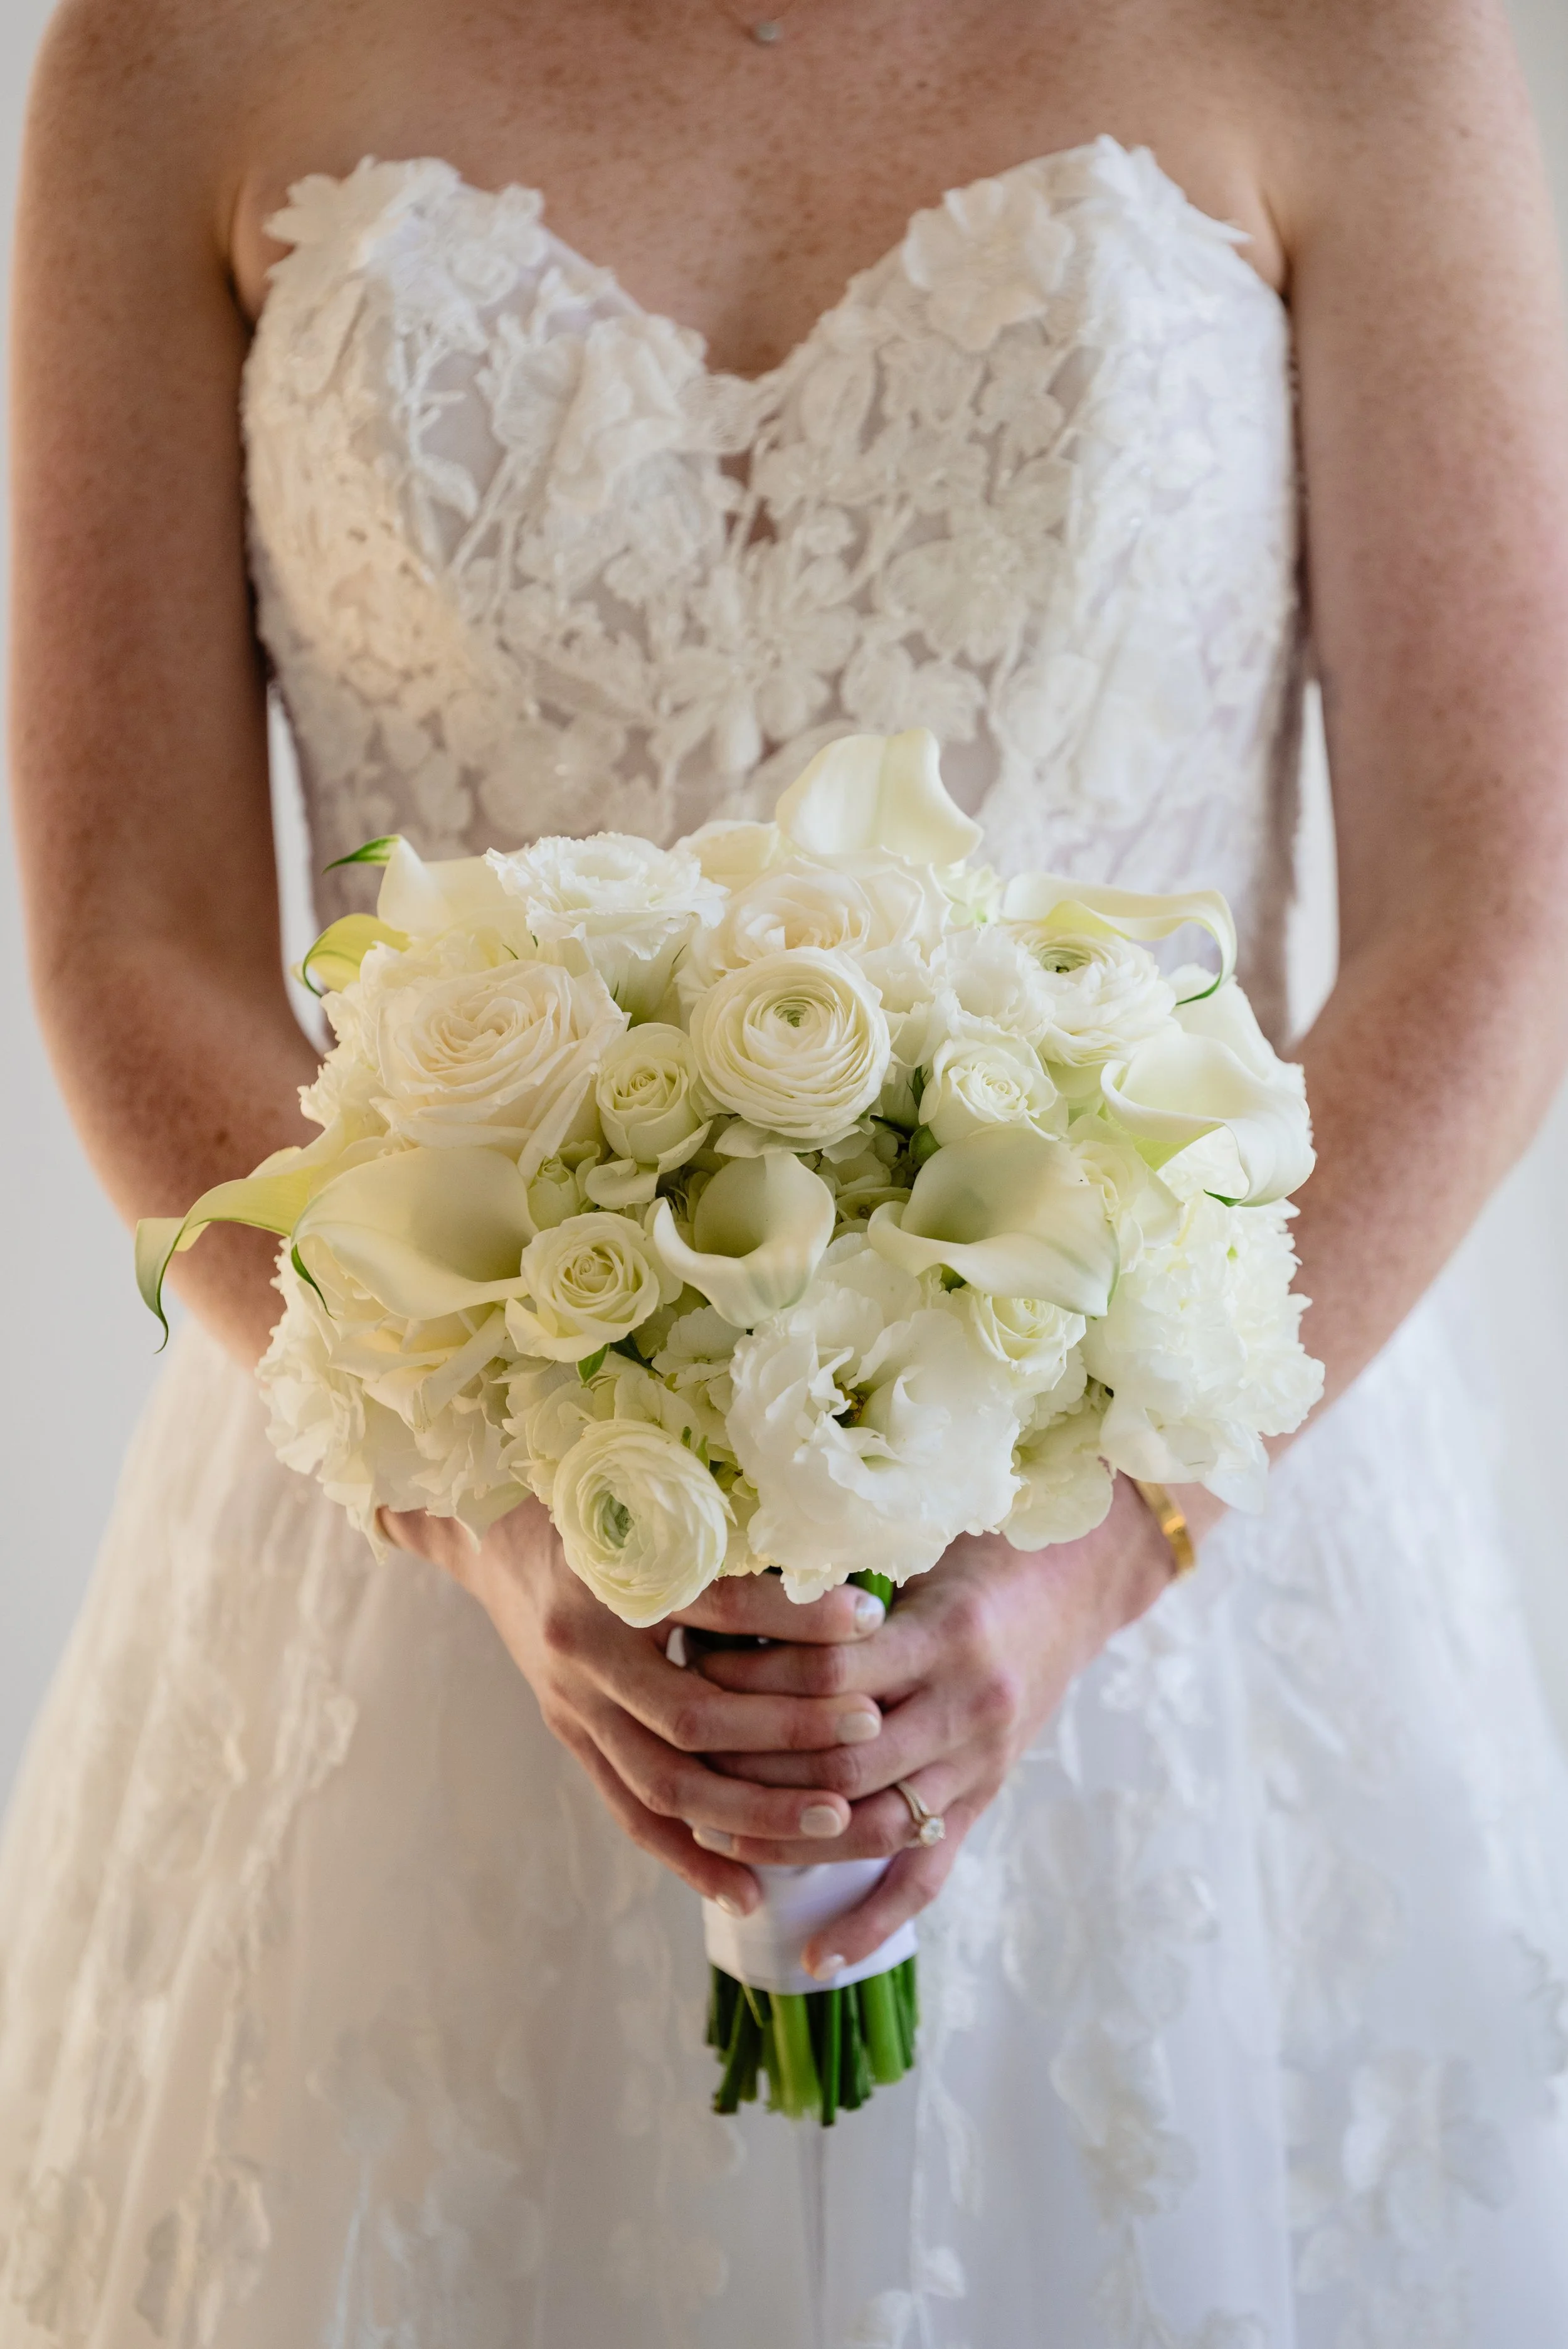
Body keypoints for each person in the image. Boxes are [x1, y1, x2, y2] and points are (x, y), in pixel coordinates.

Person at [8, 0, 1568, 2339]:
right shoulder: (175, 56)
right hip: (438, 1573)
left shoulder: (1357, 34)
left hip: (1178, 1539)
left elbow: (1497, 906)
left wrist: (1105, 1547)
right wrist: (472, 1503)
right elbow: (132, 925)